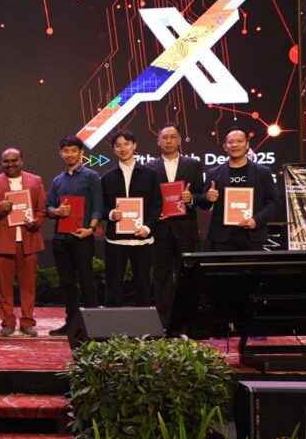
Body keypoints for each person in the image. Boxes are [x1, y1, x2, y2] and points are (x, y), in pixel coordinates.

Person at [0, 148, 47, 336]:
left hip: (28, 240)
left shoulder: (35, 181)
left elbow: (41, 210)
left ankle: (27, 322)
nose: (10, 164)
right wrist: (0, 206)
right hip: (3, 241)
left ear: (21, 161)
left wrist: (36, 222)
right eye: (6, 161)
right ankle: (7, 322)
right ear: (1, 163)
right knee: (4, 286)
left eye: (14, 160)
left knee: (29, 286)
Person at [145, 123, 205, 326]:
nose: (168, 141)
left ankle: (186, 321)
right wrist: (154, 214)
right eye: (164, 137)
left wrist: (191, 199)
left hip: (185, 229)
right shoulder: (149, 167)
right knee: (161, 276)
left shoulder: (193, 164)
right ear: (158, 141)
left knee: (186, 276)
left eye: (172, 137)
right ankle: (164, 322)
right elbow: (146, 199)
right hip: (159, 230)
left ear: (179, 140)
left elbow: (201, 195)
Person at [45, 136, 103, 336]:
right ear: (61, 153)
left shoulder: (91, 176)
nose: (69, 154)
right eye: (65, 151)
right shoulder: (57, 180)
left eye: (73, 150)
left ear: (81, 153)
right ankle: (70, 323)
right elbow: (48, 208)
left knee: (87, 282)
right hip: (60, 239)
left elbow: (98, 206)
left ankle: (94, 325)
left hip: (82, 237)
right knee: (68, 284)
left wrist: (91, 228)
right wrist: (57, 212)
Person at [101, 130, 162, 307]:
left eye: (127, 144)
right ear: (113, 149)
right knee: (113, 285)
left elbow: (156, 204)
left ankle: (143, 322)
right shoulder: (106, 177)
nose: (123, 149)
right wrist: (111, 214)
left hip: (142, 238)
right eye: (118, 145)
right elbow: (100, 207)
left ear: (134, 146)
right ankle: (113, 321)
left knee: (143, 285)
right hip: (116, 240)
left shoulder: (150, 175)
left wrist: (148, 227)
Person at [199, 126, 281, 252]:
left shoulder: (263, 172)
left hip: (253, 235)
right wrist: (208, 198)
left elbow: (274, 201)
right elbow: (203, 204)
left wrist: (257, 220)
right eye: (231, 142)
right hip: (222, 237)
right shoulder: (213, 173)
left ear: (247, 144)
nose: (235, 145)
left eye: (239, 141)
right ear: (225, 146)